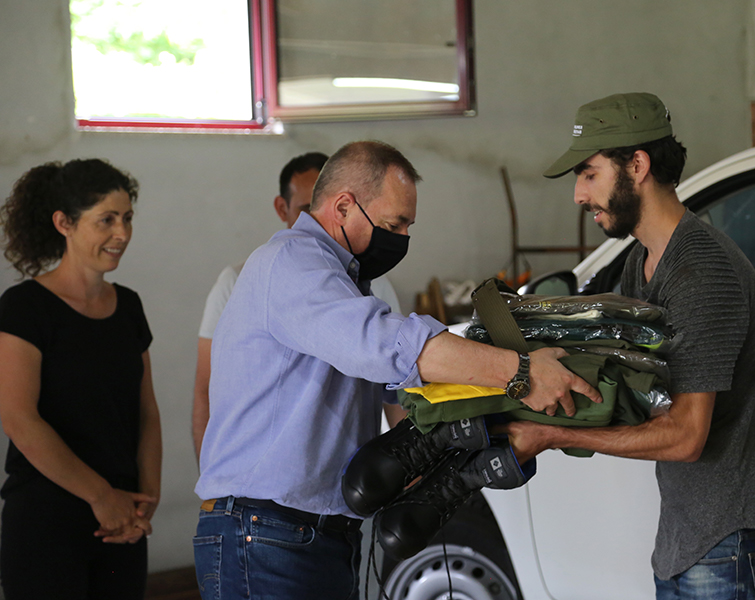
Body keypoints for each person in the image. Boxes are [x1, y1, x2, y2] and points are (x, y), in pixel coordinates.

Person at [193, 140, 602, 600]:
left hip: (318, 535)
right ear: (344, 206)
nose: (403, 238)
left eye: (408, 225)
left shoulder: (349, 285)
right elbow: (388, 346)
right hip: (266, 534)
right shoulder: (290, 263)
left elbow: (401, 395)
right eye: (394, 224)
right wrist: (521, 371)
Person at [502, 92, 755, 599]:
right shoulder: (644, 261)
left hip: (725, 546)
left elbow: (684, 436)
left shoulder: (702, 271)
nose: (578, 194)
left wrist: (551, 437)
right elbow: (629, 384)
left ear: (636, 165)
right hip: (685, 543)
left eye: (588, 174)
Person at [0, 159, 162, 600]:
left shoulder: (128, 306)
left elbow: (147, 412)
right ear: (64, 223)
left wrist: (146, 499)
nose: (122, 234)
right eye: (106, 220)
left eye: (127, 218)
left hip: (123, 522)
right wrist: (101, 496)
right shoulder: (24, 307)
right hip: (45, 523)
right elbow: (18, 418)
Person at [191, 151, 404, 460]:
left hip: (342, 485)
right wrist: (211, 474)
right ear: (282, 208)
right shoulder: (240, 280)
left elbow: (396, 388)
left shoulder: (375, 285)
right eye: (308, 209)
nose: (324, 220)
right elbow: (205, 390)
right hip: (262, 491)